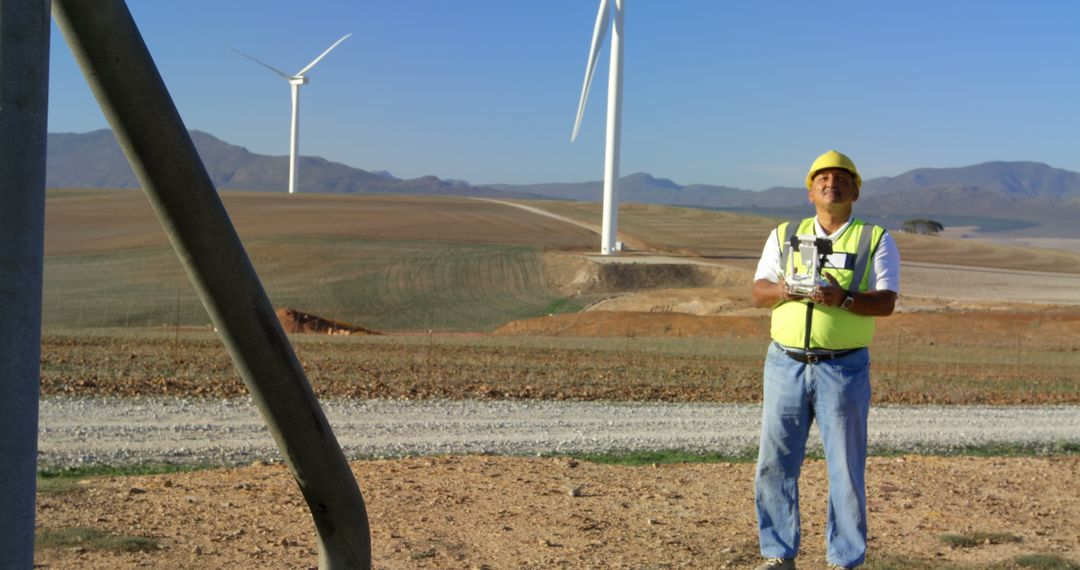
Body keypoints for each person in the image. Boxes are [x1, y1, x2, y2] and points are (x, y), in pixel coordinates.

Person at [750, 150, 900, 570]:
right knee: (775, 464)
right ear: (810, 189)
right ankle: (778, 555)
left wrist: (845, 298)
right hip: (785, 363)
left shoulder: (875, 238)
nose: (830, 183)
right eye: (822, 177)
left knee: (846, 471)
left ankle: (845, 560)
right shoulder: (784, 234)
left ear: (855, 189)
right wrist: (783, 291)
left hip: (843, 367)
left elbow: (886, 302)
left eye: (840, 177)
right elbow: (757, 291)